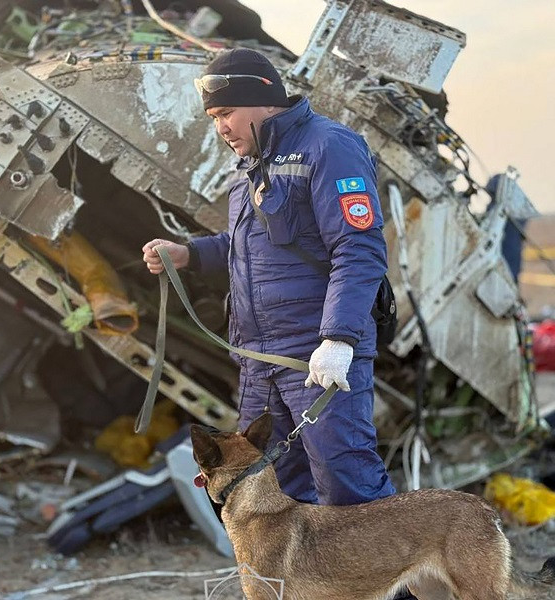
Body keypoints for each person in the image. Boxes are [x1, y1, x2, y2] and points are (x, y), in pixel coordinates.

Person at [142, 48, 396, 507]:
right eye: (214, 117)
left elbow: (358, 248)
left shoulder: (329, 146)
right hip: (259, 363)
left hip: (315, 359)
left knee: (348, 488)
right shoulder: (251, 166)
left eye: (226, 113)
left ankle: (393, 582)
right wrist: (189, 254)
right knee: (274, 496)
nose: (221, 127)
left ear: (264, 99)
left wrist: (338, 340)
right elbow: (250, 248)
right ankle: (294, 584)